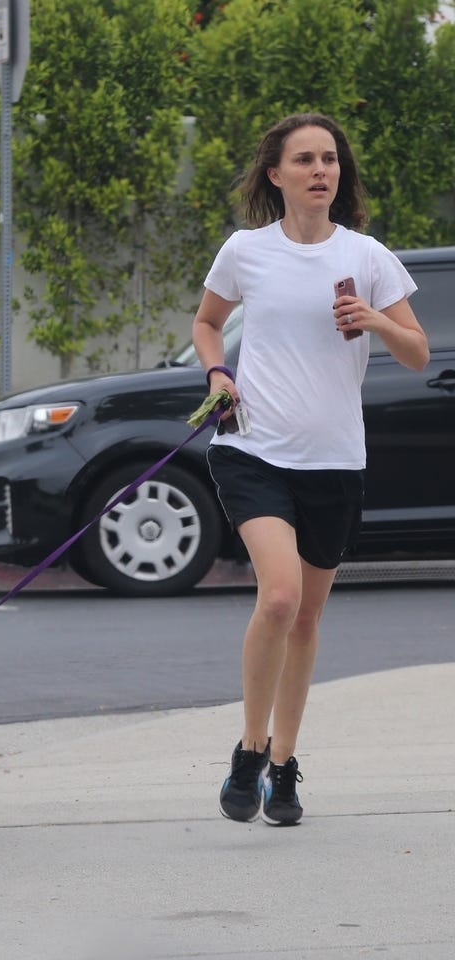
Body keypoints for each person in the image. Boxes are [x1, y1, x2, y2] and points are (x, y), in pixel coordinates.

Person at [191, 112, 429, 827]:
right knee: (279, 598)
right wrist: (218, 374)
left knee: (307, 618)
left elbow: (417, 352)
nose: (320, 170)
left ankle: (284, 765)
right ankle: (250, 748)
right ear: (276, 174)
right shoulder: (246, 250)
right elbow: (207, 322)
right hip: (254, 449)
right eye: (304, 159)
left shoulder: (367, 256)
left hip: (335, 461)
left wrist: (376, 320)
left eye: (329, 159)